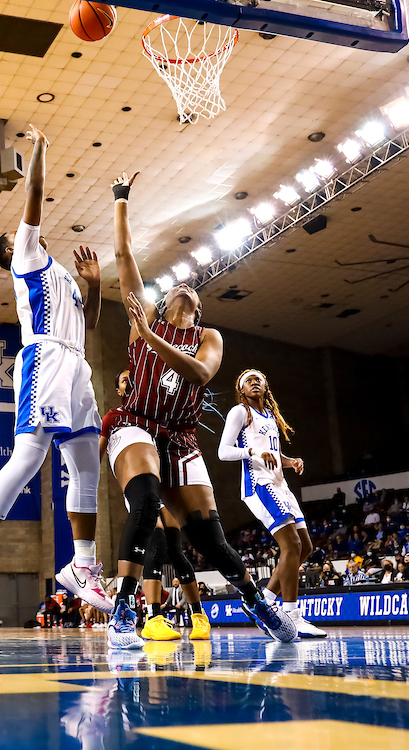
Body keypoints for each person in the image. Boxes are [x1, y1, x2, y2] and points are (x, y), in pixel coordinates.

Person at [104, 171, 295, 649]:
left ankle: (258, 603)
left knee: (210, 537)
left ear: (198, 307)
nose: (184, 287)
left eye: (192, 290)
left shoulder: (209, 338)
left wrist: (150, 340)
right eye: (174, 289)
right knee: (147, 501)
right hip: (136, 425)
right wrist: (122, 198)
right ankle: (125, 610)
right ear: (163, 300)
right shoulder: (142, 319)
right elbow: (126, 255)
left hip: (182, 437)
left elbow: (201, 376)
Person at [0, 125, 109, 616]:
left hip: (76, 362)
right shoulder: (25, 256)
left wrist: (96, 284)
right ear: (10, 249)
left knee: (86, 464)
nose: (23, 231)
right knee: (31, 455)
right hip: (44, 357)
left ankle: (81, 566)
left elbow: (92, 321)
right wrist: (39, 150)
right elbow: (34, 194)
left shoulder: (60, 274)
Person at [100, 369, 209, 643]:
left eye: (133, 378)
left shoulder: (153, 418)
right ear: (119, 390)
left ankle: (198, 615)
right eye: (124, 380)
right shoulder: (114, 417)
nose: (130, 382)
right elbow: (96, 454)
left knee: (176, 548)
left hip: (163, 482)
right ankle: (153, 617)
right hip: (139, 484)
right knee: (156, 538)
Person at [218, 369, 325, 639]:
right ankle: (291, 615)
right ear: (241, 389)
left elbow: (271, 451)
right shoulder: (240, 412)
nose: (254, 382)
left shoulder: (270, 417)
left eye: (259, 380)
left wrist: (289, 461)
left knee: (306, 547)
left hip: (280, 483)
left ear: (266, 387)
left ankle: (261, 602)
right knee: (291, 545)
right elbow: (223, 452)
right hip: (259, 484)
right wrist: (253, 452)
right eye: (248, 381)